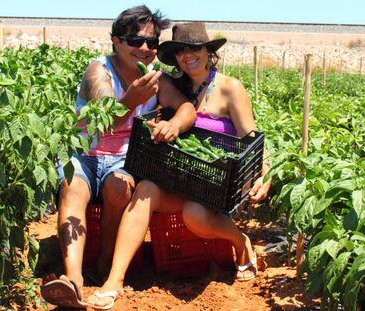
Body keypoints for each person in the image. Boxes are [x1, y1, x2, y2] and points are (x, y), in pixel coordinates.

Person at [86, 22, 271, 310]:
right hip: (178, 177)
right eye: (181, 50)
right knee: (145, 189)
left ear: (209, 51)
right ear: (175, 57)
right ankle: (114, 281)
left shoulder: (229, 88)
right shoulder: (173, 86)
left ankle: (240, 241)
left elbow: (251, 138)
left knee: (195, 214)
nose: (188, 55)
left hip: (215, 185)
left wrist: (265, 174)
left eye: (195, 48)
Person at [41, 7, 197, 309]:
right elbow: (104, 118)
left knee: (119, 188)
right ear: (116, 41)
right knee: (73, 189)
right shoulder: (98, 70)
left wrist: (174, 124)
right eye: (135, 41)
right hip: (84, 153)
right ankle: (73, 279)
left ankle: (104, 259)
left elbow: (187, 108)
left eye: (152, 43)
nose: (145, 49)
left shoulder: (155, 79)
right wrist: (131, 101)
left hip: (121, 160)